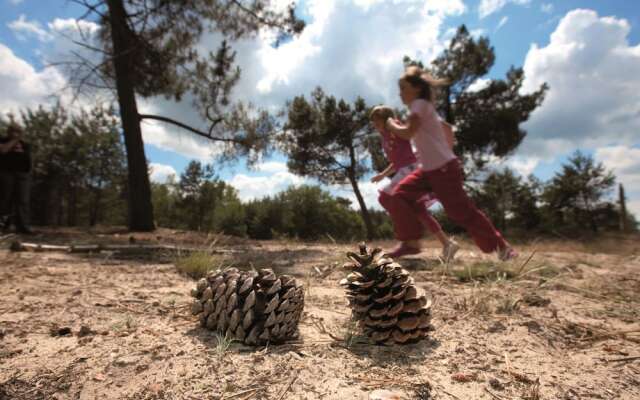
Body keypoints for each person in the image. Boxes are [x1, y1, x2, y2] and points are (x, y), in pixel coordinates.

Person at [384, 66, 517, 261]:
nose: (400, 93)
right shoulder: (424, 108)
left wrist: (390, 125)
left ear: (417, 89)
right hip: (430, 170)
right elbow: (445, 127)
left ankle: (502, 248)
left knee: (461, 212)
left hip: (443, 170)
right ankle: (410, 243)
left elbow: (408, 133)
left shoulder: (419, 104)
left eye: (403, 88)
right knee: (401, 195)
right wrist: (446, 149)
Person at [369, 105, 459, 261]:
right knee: (418, 210)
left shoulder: (394, 127)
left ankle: (410, 242)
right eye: (373, 123)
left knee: (385, 197)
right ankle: (448, 244)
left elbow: (410, 132)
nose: (375, 125)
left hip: (410, 170)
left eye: (377, 122)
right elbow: (396, 162)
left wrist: (392, 123)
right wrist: (382, 174)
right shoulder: (385, 137)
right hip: (404, 169)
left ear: (386, 120)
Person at [0, 123, 34, 235]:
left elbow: (28, 159)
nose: (16, 133)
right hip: (6, 173)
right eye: (14, 131)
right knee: (5, 200)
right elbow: (3, 150)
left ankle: (23, 227)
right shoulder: (3, 140)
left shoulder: (25, 145)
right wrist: (14, 141)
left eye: (18, 131)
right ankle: (4, 226)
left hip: (23, 175)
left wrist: (28, 173)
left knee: (23, 201)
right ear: (9, 132)